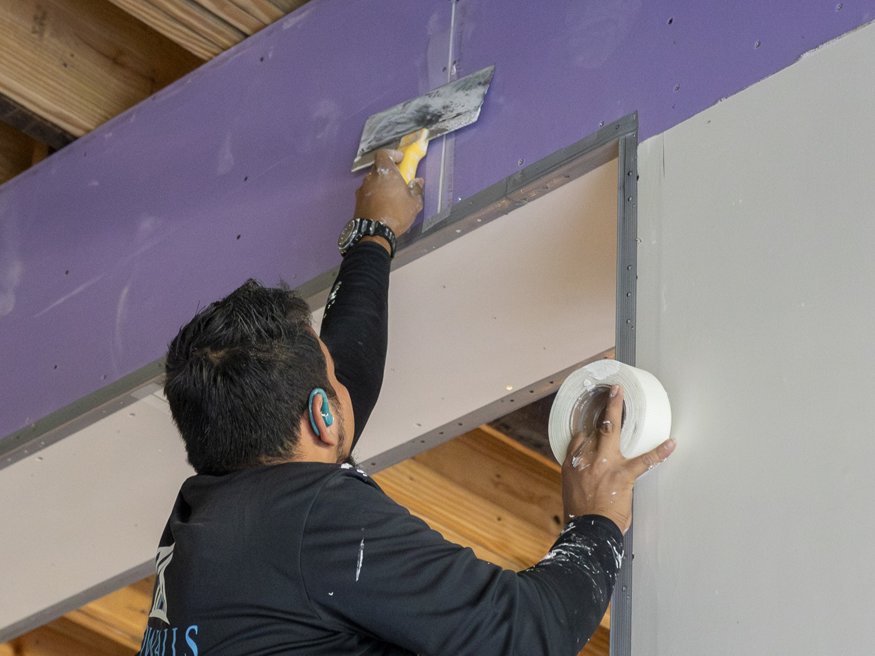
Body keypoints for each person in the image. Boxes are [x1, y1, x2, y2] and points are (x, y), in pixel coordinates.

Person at [138, 149, 675, 655]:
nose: (342, 382)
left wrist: (372, 238)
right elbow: (524, 634)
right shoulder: (316, 523)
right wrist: (595, 519)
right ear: (322, 417)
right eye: (331, 380)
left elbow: (347, 376)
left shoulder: (206, 519)